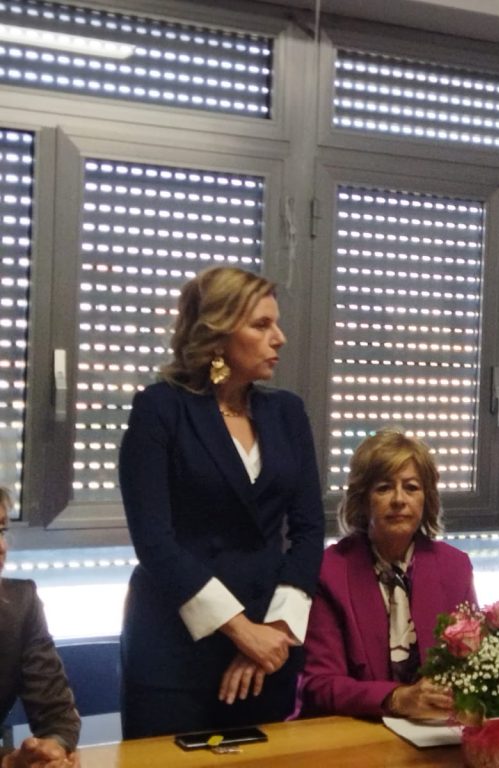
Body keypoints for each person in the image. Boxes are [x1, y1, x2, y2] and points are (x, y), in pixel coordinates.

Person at [118, 267, 325, 738]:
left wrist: (274, 632)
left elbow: (310, 529)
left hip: (268, 650)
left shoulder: (287, 412)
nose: (280, 337)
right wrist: (240, 630)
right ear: (217, 334)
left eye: (276, 323)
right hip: (173, 651)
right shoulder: (160, 409)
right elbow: (154, 542)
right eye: (262, 325)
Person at [298, 429, 476, 719]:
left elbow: (471, 665)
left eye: (411, 487)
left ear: (426, 498)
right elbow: (320, 684)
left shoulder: (455, 566)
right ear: (362, 499)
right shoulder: (329, 571)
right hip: (357, 729)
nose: (399, 500)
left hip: (436, 728)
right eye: (383, 488)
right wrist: (396, 698)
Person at [0, 487, 80, 768]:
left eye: (1, 530)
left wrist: (51, 750)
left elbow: (57, 714)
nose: (2, 547)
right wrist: (8, 763)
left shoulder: (20, 604)